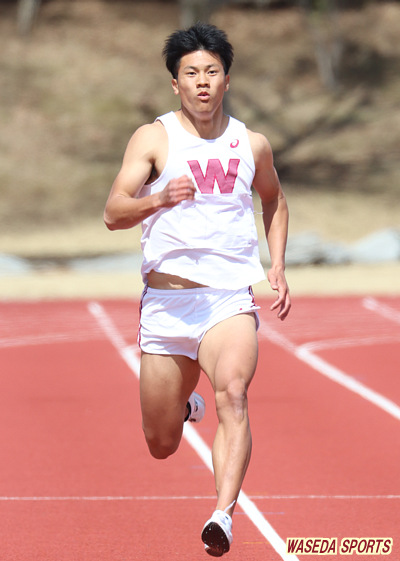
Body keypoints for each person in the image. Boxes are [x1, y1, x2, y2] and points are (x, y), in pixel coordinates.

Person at [104, 22, 291, 557]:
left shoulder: (251, 144)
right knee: (161, 442)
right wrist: (158, 199)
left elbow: (274, 200)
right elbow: (113, 212)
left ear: (227, 79)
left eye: (212, 71)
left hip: (228, 297)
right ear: (176, 83)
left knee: (233, 393)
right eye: (191, 73)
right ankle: (185, 409)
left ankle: (222, 515)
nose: (202, 82)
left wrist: (277, 265)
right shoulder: (153, 138)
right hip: (167, 302)